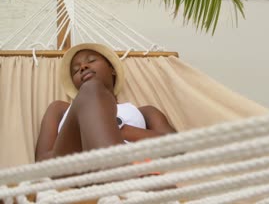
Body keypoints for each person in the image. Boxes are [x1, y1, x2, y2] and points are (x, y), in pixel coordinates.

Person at [35, 43, 176, 162]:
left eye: (91, 61)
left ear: (112, 70)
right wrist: (82, 135)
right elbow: (42, 162)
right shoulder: (60, 109)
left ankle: (118, 175)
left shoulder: (145, 112)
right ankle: (117, 175)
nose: (83, 67)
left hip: (133, 170)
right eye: (76, 70)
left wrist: (118, 128)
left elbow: (176, 147)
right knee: (91, 88)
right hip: (76, 173)